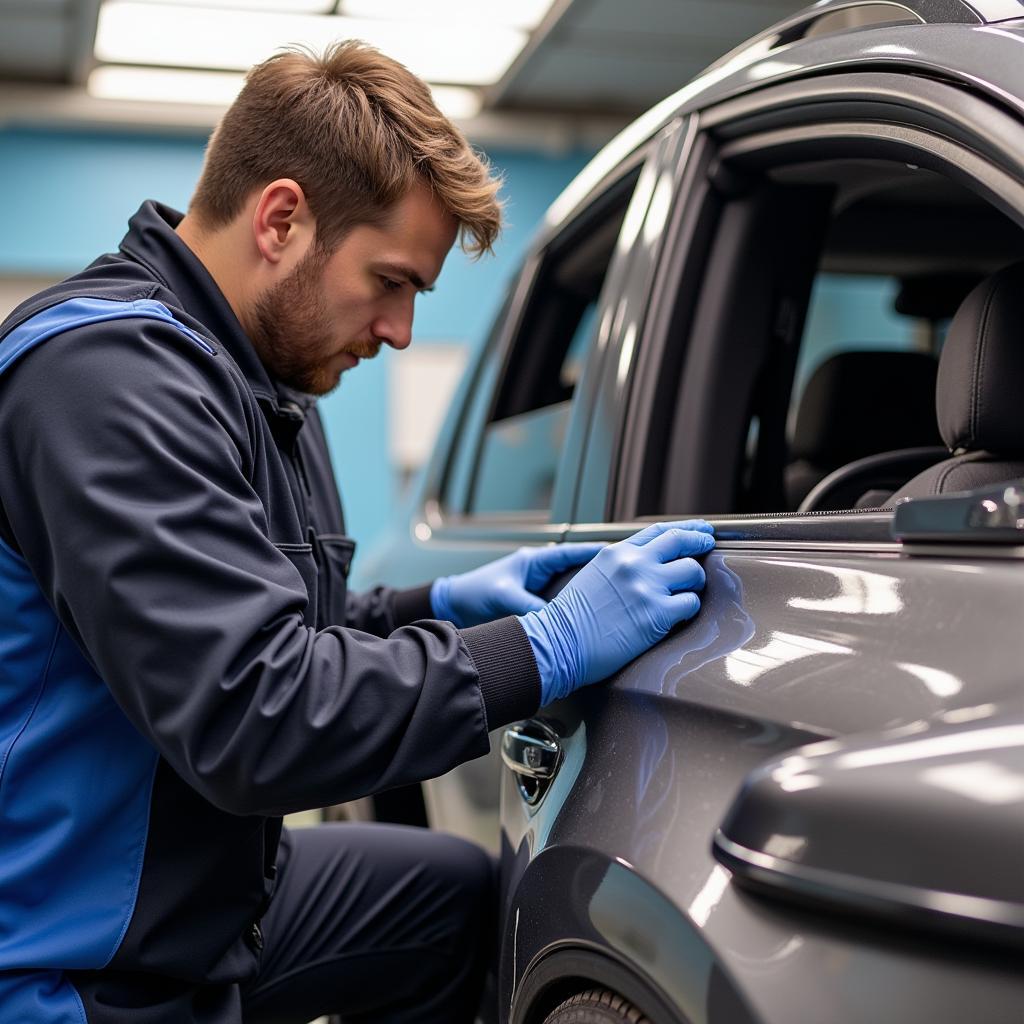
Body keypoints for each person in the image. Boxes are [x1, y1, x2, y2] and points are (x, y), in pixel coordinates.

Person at [0, 41, 715, 1024]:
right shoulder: (105, 379)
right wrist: (540, 649)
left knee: (451, 903)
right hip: (73, 960)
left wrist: (437, 605)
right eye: (390, 281)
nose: (401, 330)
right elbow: (255, 715)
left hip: (208, 898)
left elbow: (283, 622)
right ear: (283, 218)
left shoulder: (262, 379)